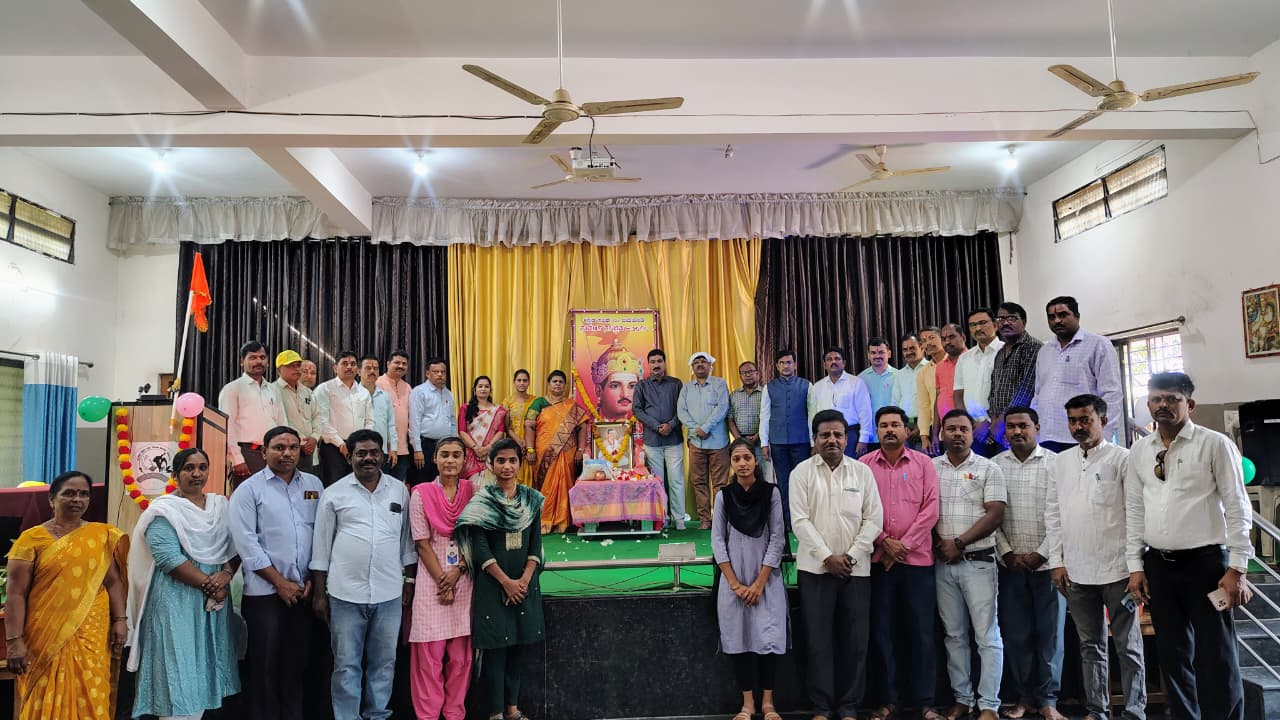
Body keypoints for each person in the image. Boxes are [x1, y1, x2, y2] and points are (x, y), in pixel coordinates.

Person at [1125, 372, 1253, 720]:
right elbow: (1134, 509)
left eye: (1172, 399)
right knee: (1173, 654)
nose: (1162, 405)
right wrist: (1135, 566)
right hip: (1159, 566)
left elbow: (1238, 506)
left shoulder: (1214, 444)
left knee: (1217, 655)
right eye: (1156, 398)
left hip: (1207, 566)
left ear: (1190, 404)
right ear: (1148, 404)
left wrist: (1238, 568)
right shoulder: (1140, 450)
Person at [1045, 394, 1145, 720]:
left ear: (1102, 420)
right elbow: (1053, 515)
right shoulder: (1060, 462)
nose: (1078, 426)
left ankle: (1134, 712)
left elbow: (1136, 514)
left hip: (1119, 570)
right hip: (1077, 571)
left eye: (1085, 419)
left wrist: (1136, 566)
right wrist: (1057, 562)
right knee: (1090, 646)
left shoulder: (1123, 458)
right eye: (1072, 420)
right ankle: (1097, 711)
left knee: (1128, 646)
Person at [127, 446, 243, 719]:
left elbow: (237, 545)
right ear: (175, 474)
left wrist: (226, 575)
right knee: (177, 670)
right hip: (175, 599)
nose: (196, 473)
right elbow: (168, 558)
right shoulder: (164, 510)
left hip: (212, 602)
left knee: (204, 668)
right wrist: (211, 585)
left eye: (202, 467)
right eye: (189, 468)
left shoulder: (220, 507)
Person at [3, 471, 128, 720]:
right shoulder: (31, 540)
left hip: (92, 635)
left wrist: (120, 620)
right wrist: (14, 641)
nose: (77, 499)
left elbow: (113, 581)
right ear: (52, 499)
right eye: (69, 493)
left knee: (91, 694)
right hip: (44, 636)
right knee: (43, 696)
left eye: (84, 494)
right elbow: (15, 593)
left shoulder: (101, 536)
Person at [311, 429, 416, 720]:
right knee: (346, 665)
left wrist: (410, 580)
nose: (368, 458)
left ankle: (377, 714)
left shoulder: (399, 491)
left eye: (374, 453)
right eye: (361, 453)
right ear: (350, 457)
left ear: (382, 456)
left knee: (384, 662)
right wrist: (320, 594)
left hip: (389, 593)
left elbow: (407, 541)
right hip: (345, 594)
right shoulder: (334, 493)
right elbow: (320, 548)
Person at [790, 409, 883, 720]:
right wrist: (827, 558)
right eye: (825, 435)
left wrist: (851, 556)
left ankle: (848, 706)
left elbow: (874, 519)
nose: (831, 440)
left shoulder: (862, 472)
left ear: (846, 439)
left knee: (855, 642)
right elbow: (799, 521)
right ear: (814, 439)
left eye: (837, 435)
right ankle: (821, 706)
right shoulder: (801, 473)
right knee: (818, 641)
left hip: (856, 570)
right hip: (815, 571)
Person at [229, 425, 327, 720]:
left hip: (303, 592)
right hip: (265, 594)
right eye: (279, 447)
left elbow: (321, 535)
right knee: (265, 667)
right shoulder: (248, 490)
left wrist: (313, 581)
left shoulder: (313, 484)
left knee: (296, 667)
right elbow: (247, 544)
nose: (287, 453)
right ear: (264, 451)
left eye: (293, 447)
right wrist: (280, 583)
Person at [455, 439, 546, 720]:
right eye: (501, 461)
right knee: (495, 652)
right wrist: (507, 583)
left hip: (524, 586)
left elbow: (535, 545)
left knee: (518, 649)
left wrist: (523, 581)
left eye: (512, 460)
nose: (507, 466)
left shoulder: (531, 499)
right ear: (491, 465)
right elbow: (480, 549)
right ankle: (495, 713)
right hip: (493, 586)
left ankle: (513, 711)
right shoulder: (483, 502)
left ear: (520, 463)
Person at [860, 406, 940, 720]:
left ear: (907, 430)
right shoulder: (864, 466)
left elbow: (931, 509)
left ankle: (926, 702)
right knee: (883, 633)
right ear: (876, 431)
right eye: (883, 425)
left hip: (917, 562)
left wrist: (902, 547)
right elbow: (860, 511)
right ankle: (888, 700)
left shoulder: (924, 463)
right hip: (879, 563)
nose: (890, 430)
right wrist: (884, 542)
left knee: (922, 633)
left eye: (895, 424)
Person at [991, 407, 1065, 720]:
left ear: (1037, 427)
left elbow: (1064, 515)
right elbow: (990, 516)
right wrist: (1007, 552)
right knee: (1016, 635)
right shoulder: (995, 466)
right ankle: (1023, 697)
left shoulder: (1056, 464)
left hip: (1049, 566)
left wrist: (1042, 553)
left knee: (1051, 636)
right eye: (1011, 426)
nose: (1017, 431)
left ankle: (1048, 700)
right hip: (1010, 567)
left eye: (1023, 425)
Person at [932, 409, 1006, 720]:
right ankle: (962, 699)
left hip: (978, 562)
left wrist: (959, 543)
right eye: (951, 429)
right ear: (942, 433)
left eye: (963, 428)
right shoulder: (930, 468)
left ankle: (989, 704)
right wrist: (941, 543)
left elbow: (995, 513)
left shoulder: (989, 468)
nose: (958, 434)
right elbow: (925, 509)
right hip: (943, 564)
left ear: (972, 433)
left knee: (987, 636)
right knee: (954, 636)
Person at [712, 438, 788, 720]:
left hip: (765, 579)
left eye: (747, 458)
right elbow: (718, 541)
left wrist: (758, 584)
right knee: (738, 640)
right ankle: (747, 705)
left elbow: (777, 538)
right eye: (736, 459)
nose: (742, 464)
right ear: (731, 463)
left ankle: (768, 703)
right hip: (733, 582)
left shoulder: (771, 493)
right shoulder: (724, 496)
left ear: (756, 461)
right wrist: (735, 585)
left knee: (768, 641)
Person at [408, 437, 477, 720]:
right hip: (430, 580)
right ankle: (427, 716)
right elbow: (421, 543)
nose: (450, 460)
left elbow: (477, 538)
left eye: (456, 455)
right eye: (444, 455)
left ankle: (454, 714)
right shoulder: (421, 494)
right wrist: (443, 581)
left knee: (461, 659)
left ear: (464, 460)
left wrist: (458, 571)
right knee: (429, 657)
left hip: (464, 576)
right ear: (434, 459)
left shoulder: (473, 492)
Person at [1033, 296, 1123, 452]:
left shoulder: (1098, 344)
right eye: (1051, 317)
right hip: (1046, 438)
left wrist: (1102, 437)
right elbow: (1038, 394)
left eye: (1063, 315)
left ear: (1077, 316)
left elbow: (1111, 394)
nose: (1057, 320)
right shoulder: (1044, 351)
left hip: (1083, 437)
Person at [529, 370, 588, 533]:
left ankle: (565, 521)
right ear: (548, 384)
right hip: (544, 452)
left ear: (565, 385)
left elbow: (583, 427)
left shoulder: (571, 405)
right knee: (546, 485)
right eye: (554, 381)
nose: (558, 384)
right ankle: (545, 521)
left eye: (561, 382)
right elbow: (529, 426)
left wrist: (581, 449)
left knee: (567, 483)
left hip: (568, 452)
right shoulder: (538, 403)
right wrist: (529, 448)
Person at [634, 349, 687, 529]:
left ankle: (679, 520)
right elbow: (637, 410)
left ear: (664, 363)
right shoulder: (641, 386)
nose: (656, 365)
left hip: (674, 439)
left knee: (676, 480)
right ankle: (661, 519)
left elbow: (682, 408)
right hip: (652, 441)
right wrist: (657, 426)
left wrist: (671, 425)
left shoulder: (676, 384)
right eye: (653, 362)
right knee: (657, 482)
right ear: (648, 365)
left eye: (659, 361)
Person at [218, 340, 287, 479]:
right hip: (247, 454)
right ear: (242, 361)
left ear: (268, 361)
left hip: (273, 454)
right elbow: (228, 427)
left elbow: (282, 423)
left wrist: (284, 451)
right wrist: (237, 459)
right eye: (252, 357)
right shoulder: (232, 389)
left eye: (262, 357)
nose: (259, 361)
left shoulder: (273, 390)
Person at [678, 351, 732, 529]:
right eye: (696, 362)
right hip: (696, 442)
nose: (700, 364)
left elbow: (722, 408)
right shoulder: (686, 388)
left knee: (720, 483)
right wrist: (696, 430)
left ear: (710, 365)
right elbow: (681, 412)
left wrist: (706, 428)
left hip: (718, 442)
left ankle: (720, 520)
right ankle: (705, 520)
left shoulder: (719, 383)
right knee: (699, 482)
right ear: (692, 367)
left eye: (703, 361)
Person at [760, 349, 812, 528]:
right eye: (782, 363)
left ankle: (803, 520)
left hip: (802, 441)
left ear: (795, 365)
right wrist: (764, 443)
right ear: (777, 366)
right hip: (778, 442)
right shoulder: (769, 387)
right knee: (783, 482)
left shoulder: (807, 385)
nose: (786, 366)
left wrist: (813, 442)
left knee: (803, 481)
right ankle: (787, 521)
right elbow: (764, 416)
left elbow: (812, 415)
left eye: (789, 362)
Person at [314, 350, 375, 487]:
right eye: (345, 363)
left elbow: (369, 421)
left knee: (358, 485)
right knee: (334, 486)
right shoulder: (325, 389)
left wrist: (364, 441)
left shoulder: (363, 392)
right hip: (333, 448)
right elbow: (321, 420)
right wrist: (341, 444)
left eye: (353, 364)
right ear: (335, 367)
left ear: (357, 369)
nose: (349, 367)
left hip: (358, 447)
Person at [987, 302, 1043, 450]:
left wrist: (1003, 420)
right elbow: (994, 389)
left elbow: (1027, 388)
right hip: (998, 428)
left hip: (1020, 426)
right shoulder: (1000, 352)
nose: (1005, 323)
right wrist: (993, 419)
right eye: (1001, 319)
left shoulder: (1033, 347)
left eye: (1012, 318)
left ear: (1023, 321)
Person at [807, 345, 875, 457]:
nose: (833, 362)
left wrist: (863, 440)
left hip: (850, 435)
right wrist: (813, 442)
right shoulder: (817, 387)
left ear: (844, 363)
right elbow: (812, 417)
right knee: (827, 467)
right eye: (829, 359)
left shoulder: (856, 383)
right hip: (824, 435)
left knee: (850, 467)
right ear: (824, 364)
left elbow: (865, 413)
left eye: (837, 359)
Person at [954, 309, 1005, 458]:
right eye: (973, 325)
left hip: (1001, 427)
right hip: (973, 431)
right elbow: (958, 394)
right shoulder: (964, 358)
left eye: (982, 323)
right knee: (975, 472)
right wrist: (970, 424)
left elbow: (1012, 392)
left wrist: (989, 423)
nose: (977, 328)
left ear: (995, 325)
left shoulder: (1007, 351)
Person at [409, 357, 458, 487]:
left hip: (444, 445)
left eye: (443, 372)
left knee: (442, 483)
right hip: (425, 445)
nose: (440, 375)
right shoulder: (419, 391)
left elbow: (452, 420)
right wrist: (417, 449)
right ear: (427, 373)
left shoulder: (448, 394)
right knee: (423, 483)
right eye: (436, 372)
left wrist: (453, 443)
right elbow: (414, 422)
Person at [275, 349, 321, 473]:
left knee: (308, 484)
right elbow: (278, 421)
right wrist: (299, 441)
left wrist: (314, 438)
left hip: (309, 451)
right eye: (291, 366)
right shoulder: (273, 391)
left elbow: (317, 417)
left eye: (298, 365)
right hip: (286, 450)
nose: (296, 369)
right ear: (279, 369)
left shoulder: (307, 392)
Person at [459, 375, 509, 480]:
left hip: (490, 453)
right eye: (480, 386)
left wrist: (487, 449)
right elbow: (462, 432)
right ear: (474, 390)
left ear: (490, 390)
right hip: (470, 454)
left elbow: (500, 432)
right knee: (470, 485)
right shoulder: (465, 408)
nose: (483, 389)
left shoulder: (498, 411)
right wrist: (476, 449)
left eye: (486, 386)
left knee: (489, 484)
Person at [376, 350, 414, 480]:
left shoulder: (408, 387)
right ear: (388, 364)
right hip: (383, 448)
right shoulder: (378, 383)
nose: (400, 366)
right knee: (380, 484)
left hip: (403, 449)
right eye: (397, 362)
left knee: (398, 486)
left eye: (404, 364)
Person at [890, 333, 931, 451]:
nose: (908, 352)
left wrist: (922, 427)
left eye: (912, 348)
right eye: (905, 349)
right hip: (905, 429)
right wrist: (901, 425)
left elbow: (934, 402)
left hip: (927, 429)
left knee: (925, 461)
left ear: (922, 348)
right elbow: (895, 402)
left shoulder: (931, 368)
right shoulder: (900, 374)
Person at [361, 354, 400, 469]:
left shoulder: (385, 396)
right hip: (360, 451)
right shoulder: (353, 395)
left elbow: (391, 424)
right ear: (358, 371)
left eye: (375, 368)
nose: (372, 371)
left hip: (381, 451)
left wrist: (393, 449)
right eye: (368, 368)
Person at [503, 369, 540, 487]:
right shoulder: (508, 401)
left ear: (529, 382)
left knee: (531, 479)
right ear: (514, 382)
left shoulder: (535, 401)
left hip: (531, 445)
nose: (522, 383)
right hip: (513, 444)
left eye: (525, 380)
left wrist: (529, 445)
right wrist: (519, 441)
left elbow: (538, 425)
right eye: (519, 380)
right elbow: (507, 427)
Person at [591, 338, 642, 421]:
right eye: (615, 386)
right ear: (598, 391)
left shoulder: (647, 424)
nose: (625, 395)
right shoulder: (586, 424)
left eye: (632, 386)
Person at [914, 326, 946, 454]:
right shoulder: (923, 372)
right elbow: (924, 406)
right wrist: (924, 436)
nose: (928, 343)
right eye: (923, 341)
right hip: (936, 430)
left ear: (942, 339)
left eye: (932, 338)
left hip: (959, 425)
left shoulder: (957, 362)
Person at [727, 361, 765, 463]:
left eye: (751, 371)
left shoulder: (765, 394)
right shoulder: (734, 395)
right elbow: (730, 420)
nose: (748, 375)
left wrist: (757, 436)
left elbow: (769, 418)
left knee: (762, 471)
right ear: (740, 376)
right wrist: (740, 439)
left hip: (761, 441)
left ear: (757, 374)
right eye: (744, 373)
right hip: (740, 441)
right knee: (742, 469)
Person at [857, 337, 898, 424]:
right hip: (870, 428)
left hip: (893, 427)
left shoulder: (898, 376)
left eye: (881, 352)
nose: (877, 356)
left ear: (889, 353)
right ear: (868, 355)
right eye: (873, 353)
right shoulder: (860, 379)